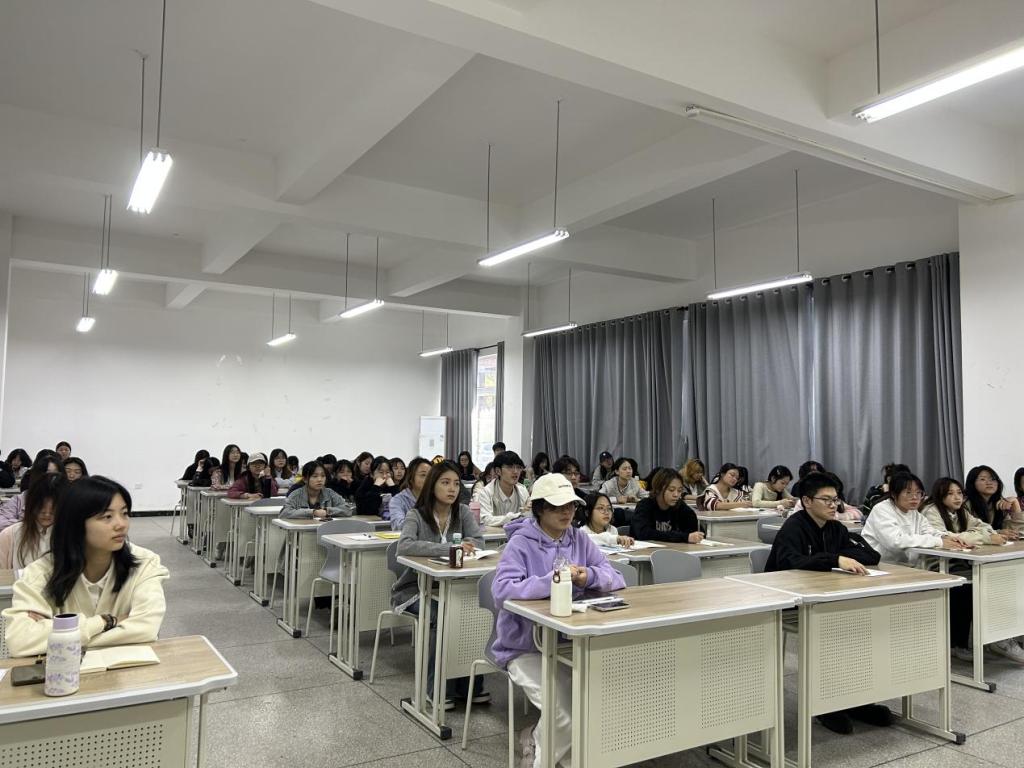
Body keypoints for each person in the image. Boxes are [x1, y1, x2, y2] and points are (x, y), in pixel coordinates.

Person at [491, 472, 626, 766]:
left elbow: (616, 577)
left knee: (589, 706)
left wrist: (588, 576)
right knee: (563, 714)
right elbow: (502, 590)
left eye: (571, 506)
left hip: (568, 646)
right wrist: (553, 580)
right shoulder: (521, 543)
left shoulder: (579, 538)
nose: (567, 512)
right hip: (524, 647)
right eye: (557, 506)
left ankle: (535, 738)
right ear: (540, 509)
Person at [764, 472, 892, 734]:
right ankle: (826, 705)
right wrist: (835, 560)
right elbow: (790, 562)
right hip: (790, 601)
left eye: (836, 499)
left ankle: (857, 700)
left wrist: (839, 556)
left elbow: (871, 554)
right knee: (834, 630)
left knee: (861, 627)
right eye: (827, 500)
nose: (834, 505)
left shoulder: (836, 528)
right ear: (807, 501)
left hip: (827, 597)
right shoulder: (794, 527)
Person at [2, 476, 169, 657]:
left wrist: (58, 638)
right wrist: (106, 622)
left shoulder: (144, 564)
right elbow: (20, 640)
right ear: (75, 523)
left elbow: (146, 630)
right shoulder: (40, 573)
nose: (121, 524)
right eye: (107, 517)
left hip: (128, 671)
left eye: (124, 513)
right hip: (63, 673)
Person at [394, 460, 487, 709]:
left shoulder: (462, 512)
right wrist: (449, 548)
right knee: (443, 616)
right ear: (432, 485)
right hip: (416, 589)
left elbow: (479, 542)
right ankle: (434, 689)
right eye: (445, 483)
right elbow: (404, 545)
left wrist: (466, 545)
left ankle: (470, 687)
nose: (452, 489)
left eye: (456, 483)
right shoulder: (417, 515)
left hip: (452, 588)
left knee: (471, 613)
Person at [920, 476, 1004, 660]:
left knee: (987, 583)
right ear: (940, 495)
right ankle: (956, 644)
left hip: (958, 562)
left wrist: (972, 534)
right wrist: (979, 536)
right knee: (965, 588)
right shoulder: (931, 511)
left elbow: (986, 527)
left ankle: (990, 639)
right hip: (935, 566)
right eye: (950, 493)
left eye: (959, 493)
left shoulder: (961, 511)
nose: (957, 497)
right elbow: (946, 537)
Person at [861, 472, 971, 565]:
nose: (915, 497)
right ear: (894, 494)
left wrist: (947, 537)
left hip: (906, 567)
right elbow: (895, 541)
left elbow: (929, 531)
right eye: (908, 493)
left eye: (918, 493)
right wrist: (938, 542)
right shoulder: (882, 509)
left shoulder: (914, 513)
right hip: (879, 566)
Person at [0, 472, 67, 569]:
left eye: (53, 508)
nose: (47, 513)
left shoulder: (72, 536)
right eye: (41, 506)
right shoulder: (10, 535)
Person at [631, 468, 703, 543]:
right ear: (658, 489)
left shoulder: (680, 506)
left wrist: (693, 536)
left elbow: (695, 529)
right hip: (645, 549)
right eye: (671, 490)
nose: (676, 495)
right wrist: (684, 537)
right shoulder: (644, 505)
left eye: (679, 490)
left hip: (674, 549)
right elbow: (643, 533)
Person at [0, 454, 62, 532]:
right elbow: (2, 521)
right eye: (46, 473)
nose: (50, 477)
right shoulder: (22, 498)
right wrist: (28, 524)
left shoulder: (68, 498)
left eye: (55, 473)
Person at [964, 465, 1023, 539]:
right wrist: (997, 532)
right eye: (983, 479)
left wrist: (1016, 506)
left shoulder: (1000, 503)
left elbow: (1018, 532)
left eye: (993, 479)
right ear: (972, 483)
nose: (989, 483)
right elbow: (966, 532)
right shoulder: (965, 504)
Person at [280, 462, 351, 519]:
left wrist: (327, 511)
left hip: (326, 530)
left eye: (323, 476)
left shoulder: (329, 493)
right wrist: (313, 512)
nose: (320, 479)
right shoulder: (296, 494)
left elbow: (347, 510)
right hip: (303, 530)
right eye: (315, 476)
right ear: (305, 479)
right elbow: (284, 513)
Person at [477, 451, 529, 527]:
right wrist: (515, 517)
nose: (515, 471)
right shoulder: (486, 492)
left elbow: (529, 517)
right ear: (498, 471)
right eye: (510, 467)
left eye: (518, 467)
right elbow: (485, 519)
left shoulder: (522, 491)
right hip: (493, 534)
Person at [389, 457, 432, 531]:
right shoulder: (398, 500)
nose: (428, 479)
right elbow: (398, 526)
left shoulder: (436, 499)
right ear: (411, 478)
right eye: (423, 475)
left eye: (431, 475)